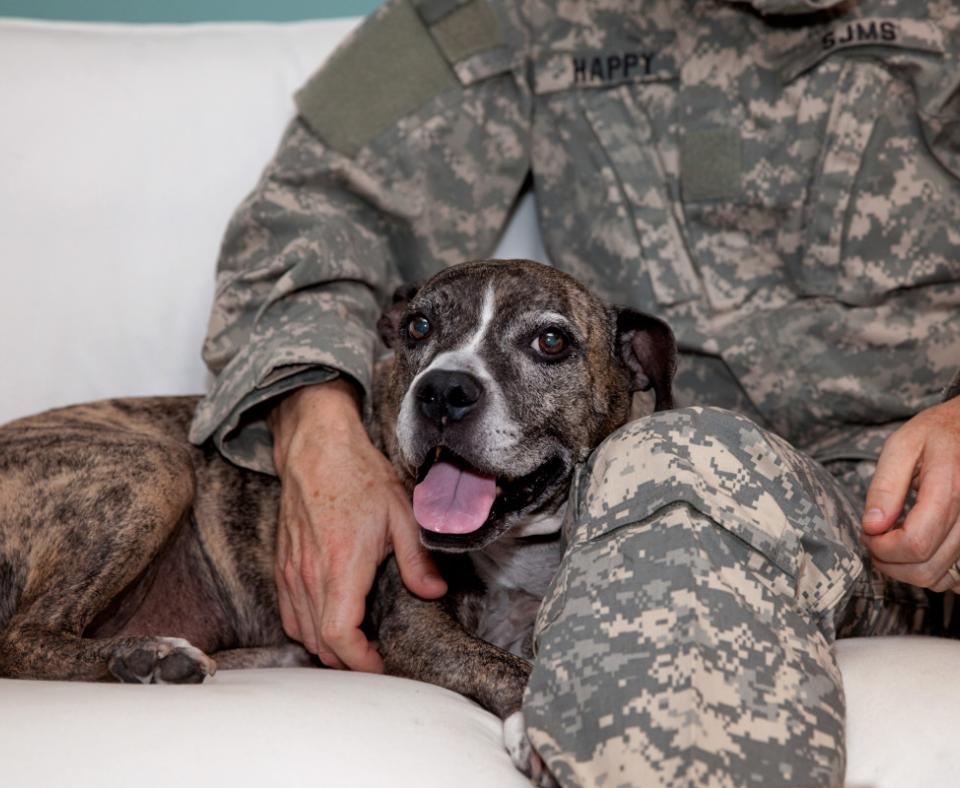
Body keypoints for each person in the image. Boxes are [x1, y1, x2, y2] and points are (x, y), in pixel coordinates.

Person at [189, 0, 960, 783]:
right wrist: (317, 429)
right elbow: (311, 212)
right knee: (653, 465)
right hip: (620, 505)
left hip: (904, 518)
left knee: (670, 460)